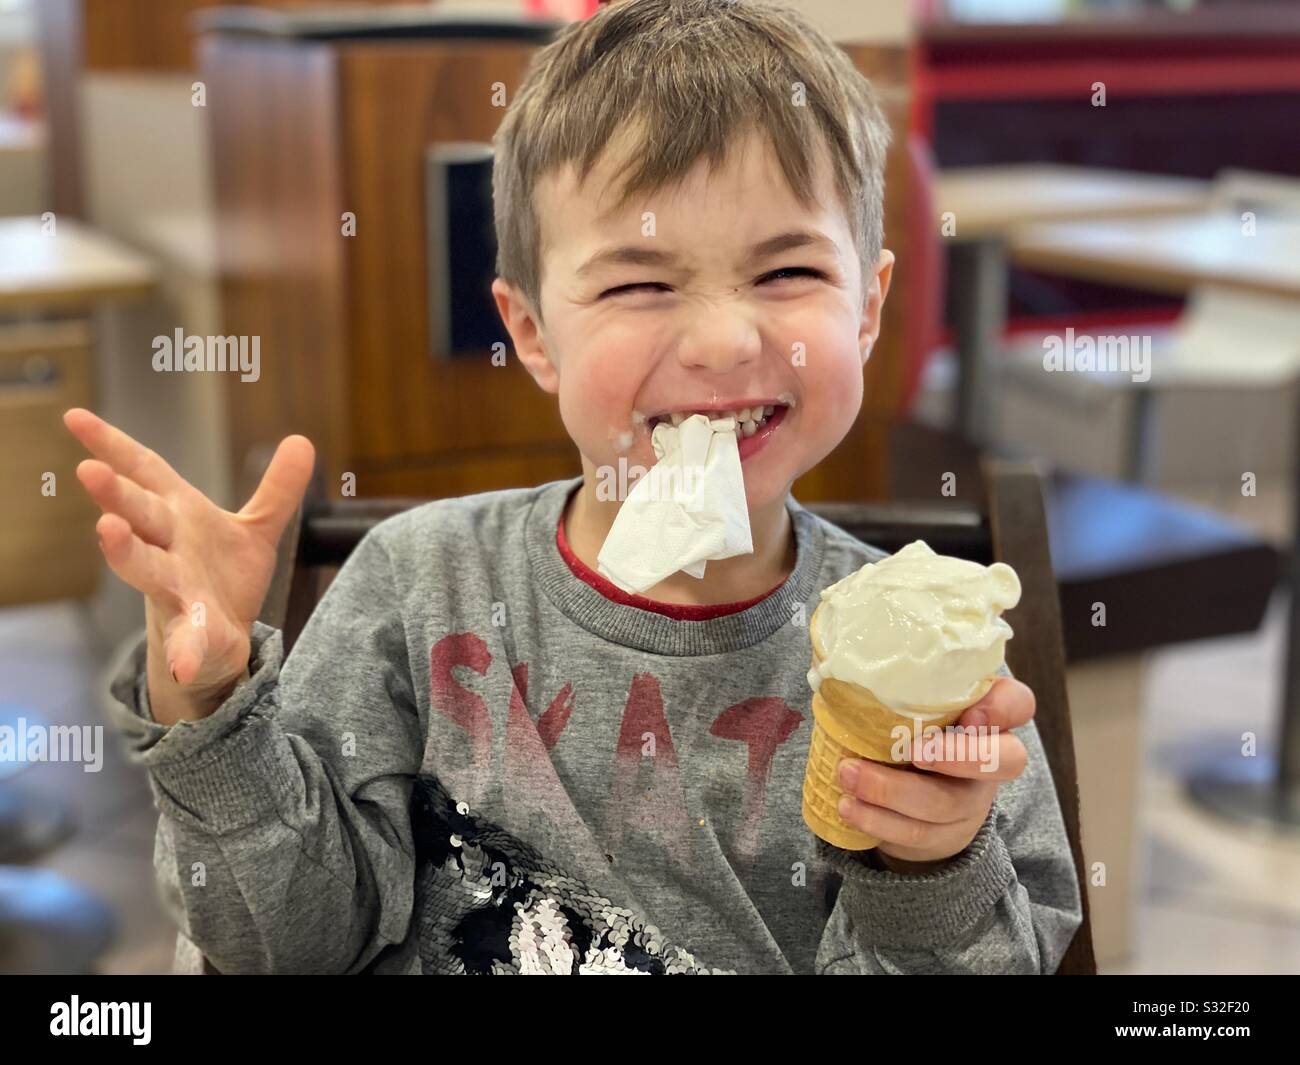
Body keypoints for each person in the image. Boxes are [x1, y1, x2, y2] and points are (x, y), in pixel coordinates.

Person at [66, 0, 1081, 974]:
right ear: (533, 333)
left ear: (867, 310)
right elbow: (292, 943)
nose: (727, 340)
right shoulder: (418, 586)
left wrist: (931, 864)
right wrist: (207, 704)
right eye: (641, 284)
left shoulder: (942, 670)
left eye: (787, 275)